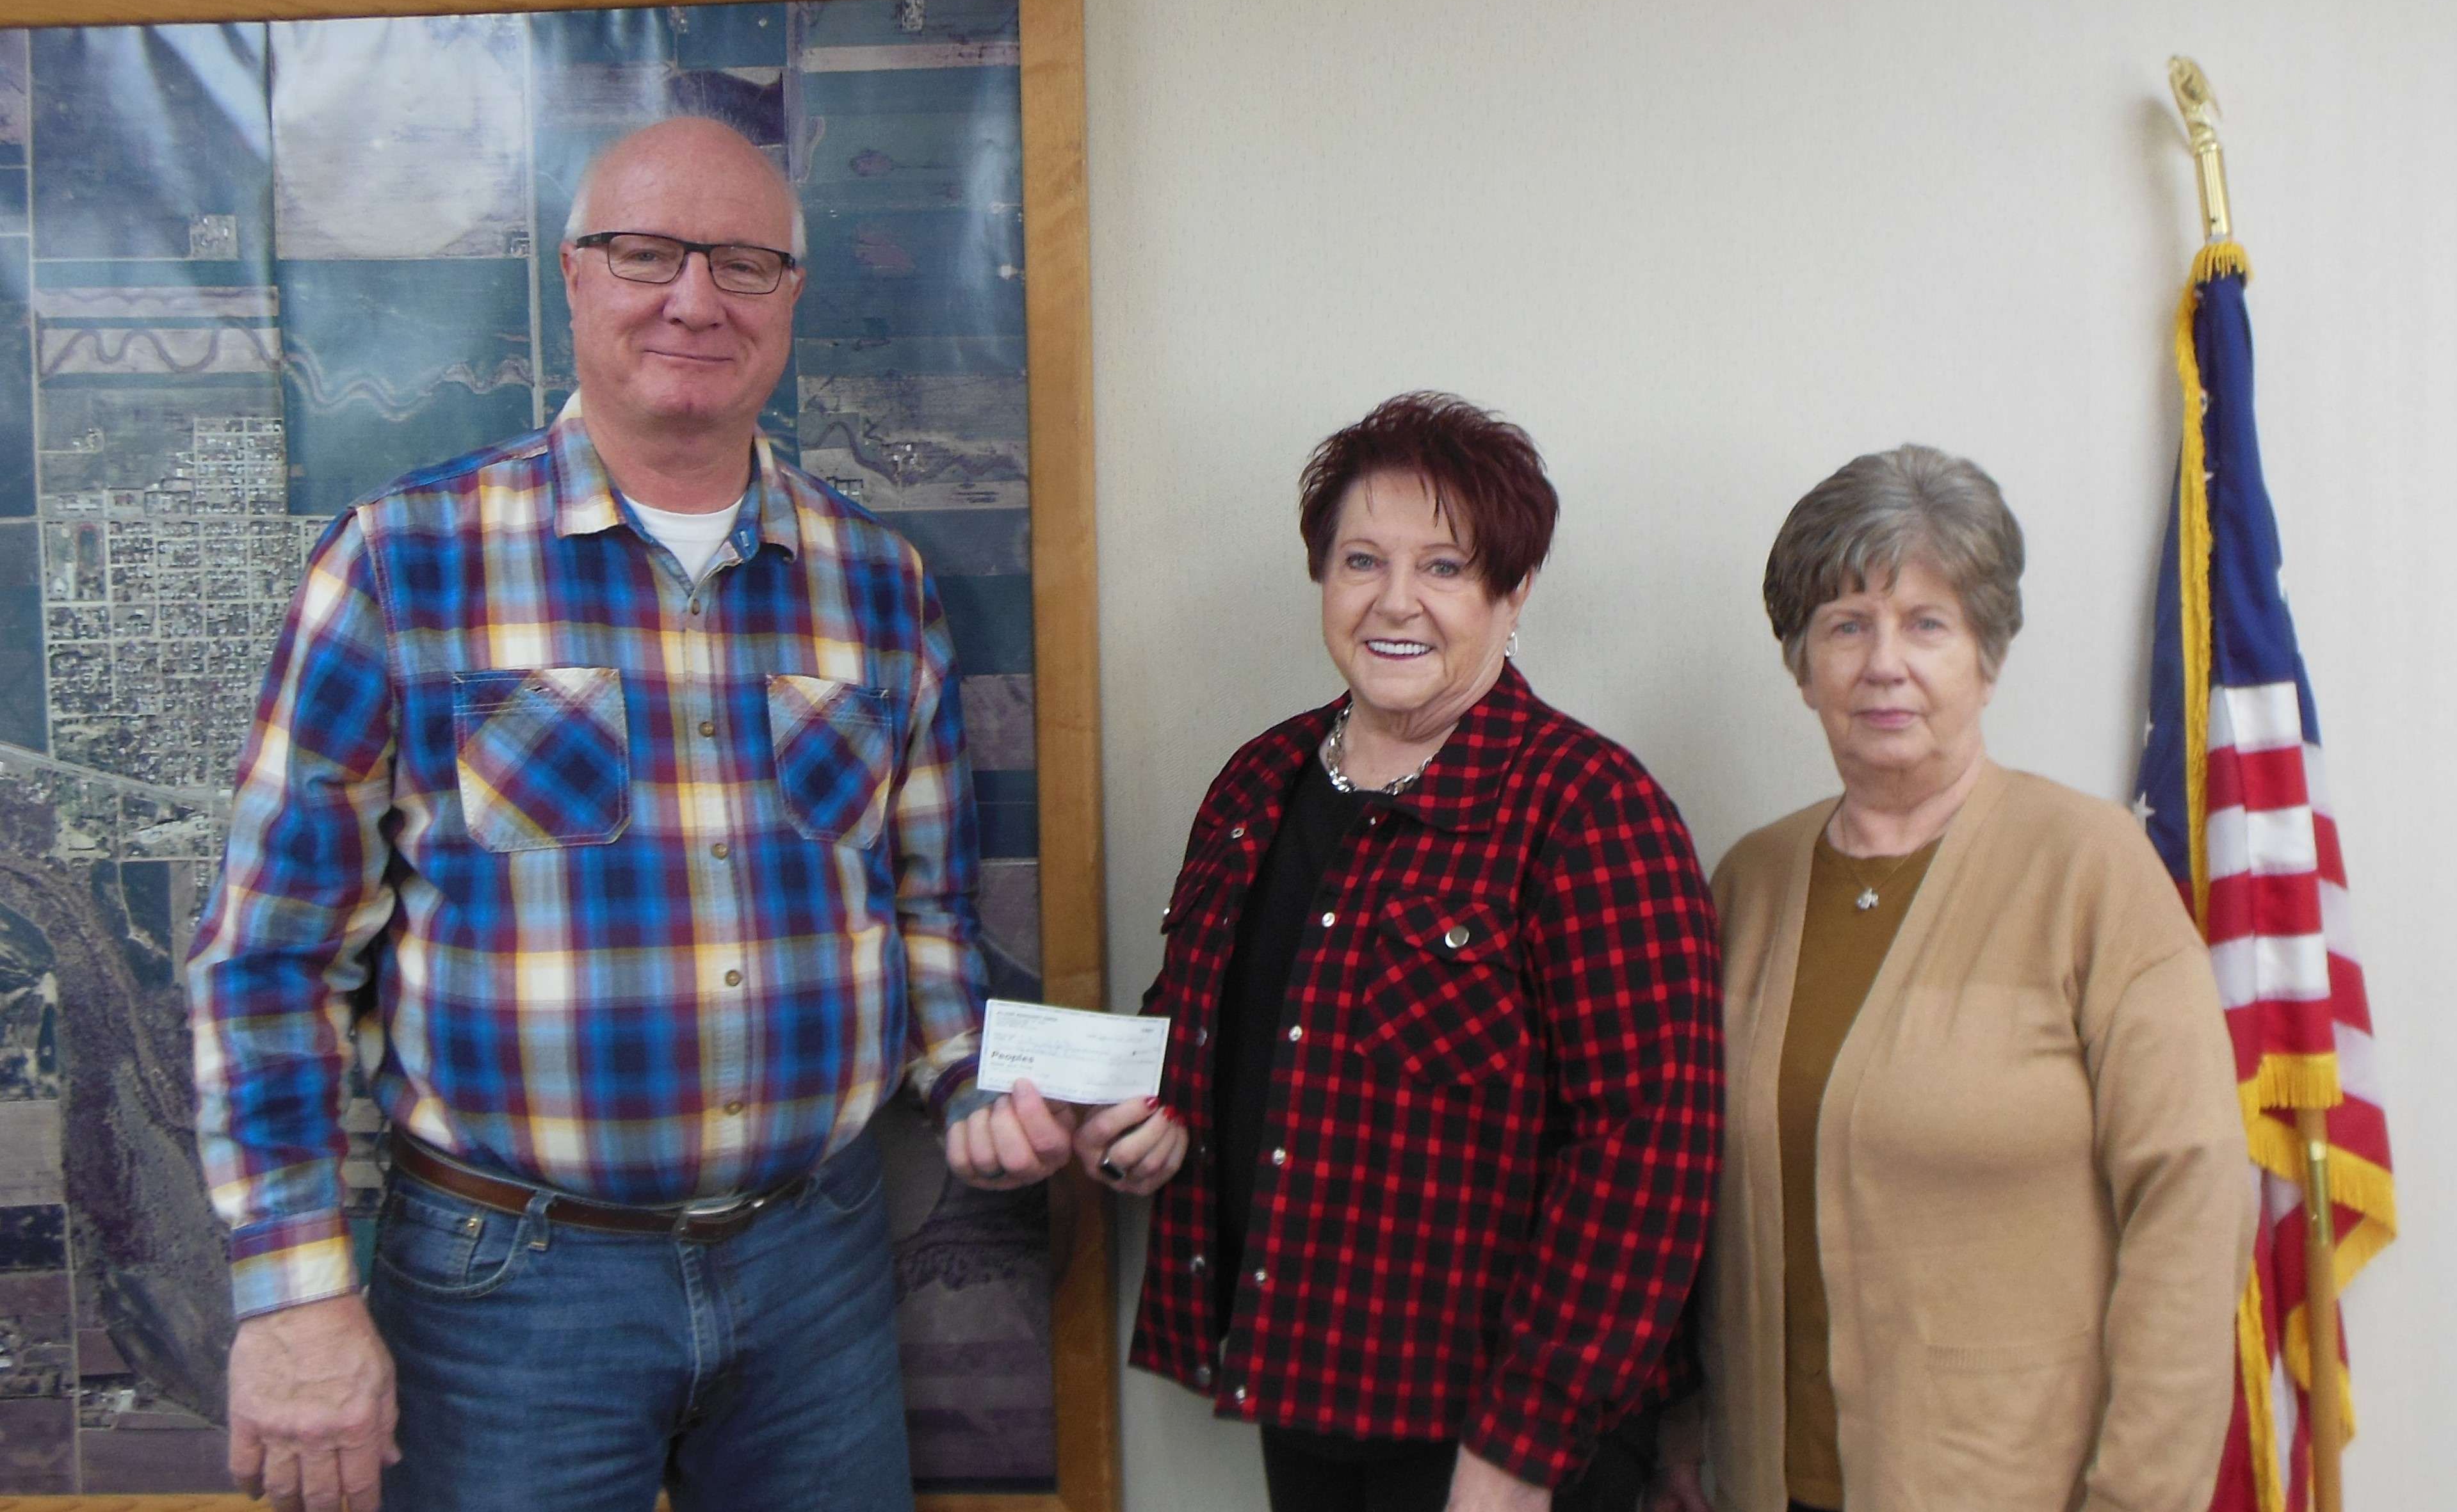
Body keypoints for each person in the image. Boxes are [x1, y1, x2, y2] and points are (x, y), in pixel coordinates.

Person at [186, 115, 1073, 1512]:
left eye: (745, 262)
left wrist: (975, 1083)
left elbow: (922, 910)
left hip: (816, 1268)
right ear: (574, 275)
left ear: (792, 295)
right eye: (648, 253)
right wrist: (295, 1293)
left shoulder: (876, 586)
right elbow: (268, 959)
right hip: (509, 1292)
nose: (695, 298)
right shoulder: (402, 563)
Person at [1079, 392, 1724, 1512]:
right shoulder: (1256, 784)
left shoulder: (1587, 809)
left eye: (1445, 568)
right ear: (1323, 580)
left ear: (1512, 592)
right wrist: (1140, 1116)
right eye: (1361, 560)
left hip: (1497, 1433)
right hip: (1306, 1383)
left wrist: (1525, 1443)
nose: (1395, 601)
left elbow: (1647, 1151)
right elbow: (1197, 1024)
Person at [1650, 445, 2252, 1512]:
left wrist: (2139, 1497)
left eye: (1927, 623)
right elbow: (1694, 1201)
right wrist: (1685, 1433)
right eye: (1846, 625)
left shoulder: (2092, 869)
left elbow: (2194, 1203)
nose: (1886, 663)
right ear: (1802, 666)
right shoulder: (1746, 882)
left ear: (1987, 652)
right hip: (1761, 1486)